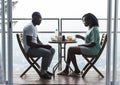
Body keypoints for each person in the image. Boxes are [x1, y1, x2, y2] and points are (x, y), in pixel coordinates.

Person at [23, 11, 55, 79]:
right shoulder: (30, 27)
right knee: (47, 53)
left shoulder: (34, 26)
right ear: (34, 17)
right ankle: (43, 72)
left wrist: (45, 46)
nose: (41, 20)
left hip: (34, 48)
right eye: (39, 18)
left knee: (52, 50)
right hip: (30, 50)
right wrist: (44, 47)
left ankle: (45, 69)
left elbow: (37, 40)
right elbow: (30, 43)